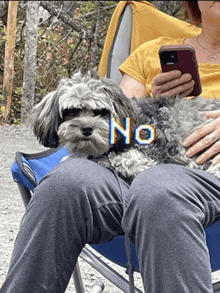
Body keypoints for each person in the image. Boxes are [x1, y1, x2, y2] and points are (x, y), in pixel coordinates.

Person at [1, 1, 220, 292]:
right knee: (64, 183)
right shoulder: (151, 52)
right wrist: (154, 99)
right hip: (130, 173)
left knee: (158, 187)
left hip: (201, 180)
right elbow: (116, 127)